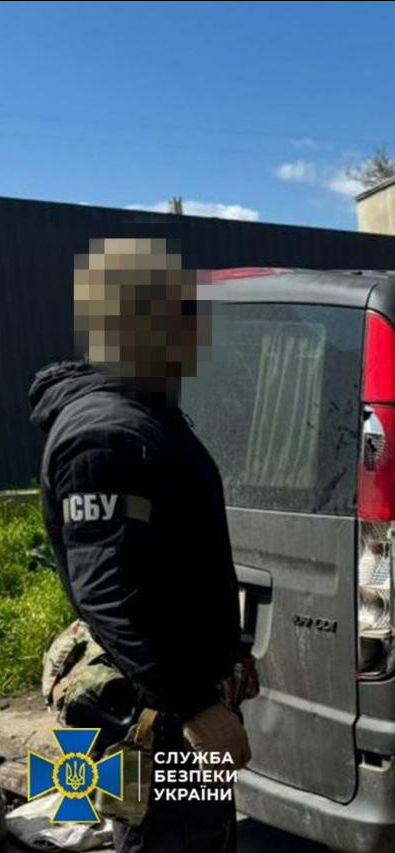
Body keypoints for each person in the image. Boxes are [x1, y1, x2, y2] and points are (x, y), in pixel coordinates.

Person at [29, 237, 251, 853]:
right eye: (185, 313)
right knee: (165, 840)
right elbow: (111, 593)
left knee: (204, 834)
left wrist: (229, 657)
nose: (199, 330)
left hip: (176, 704)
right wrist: (196, 705)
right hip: (151, 718)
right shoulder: (107, 435)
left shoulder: (149, 415)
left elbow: (175, 562)